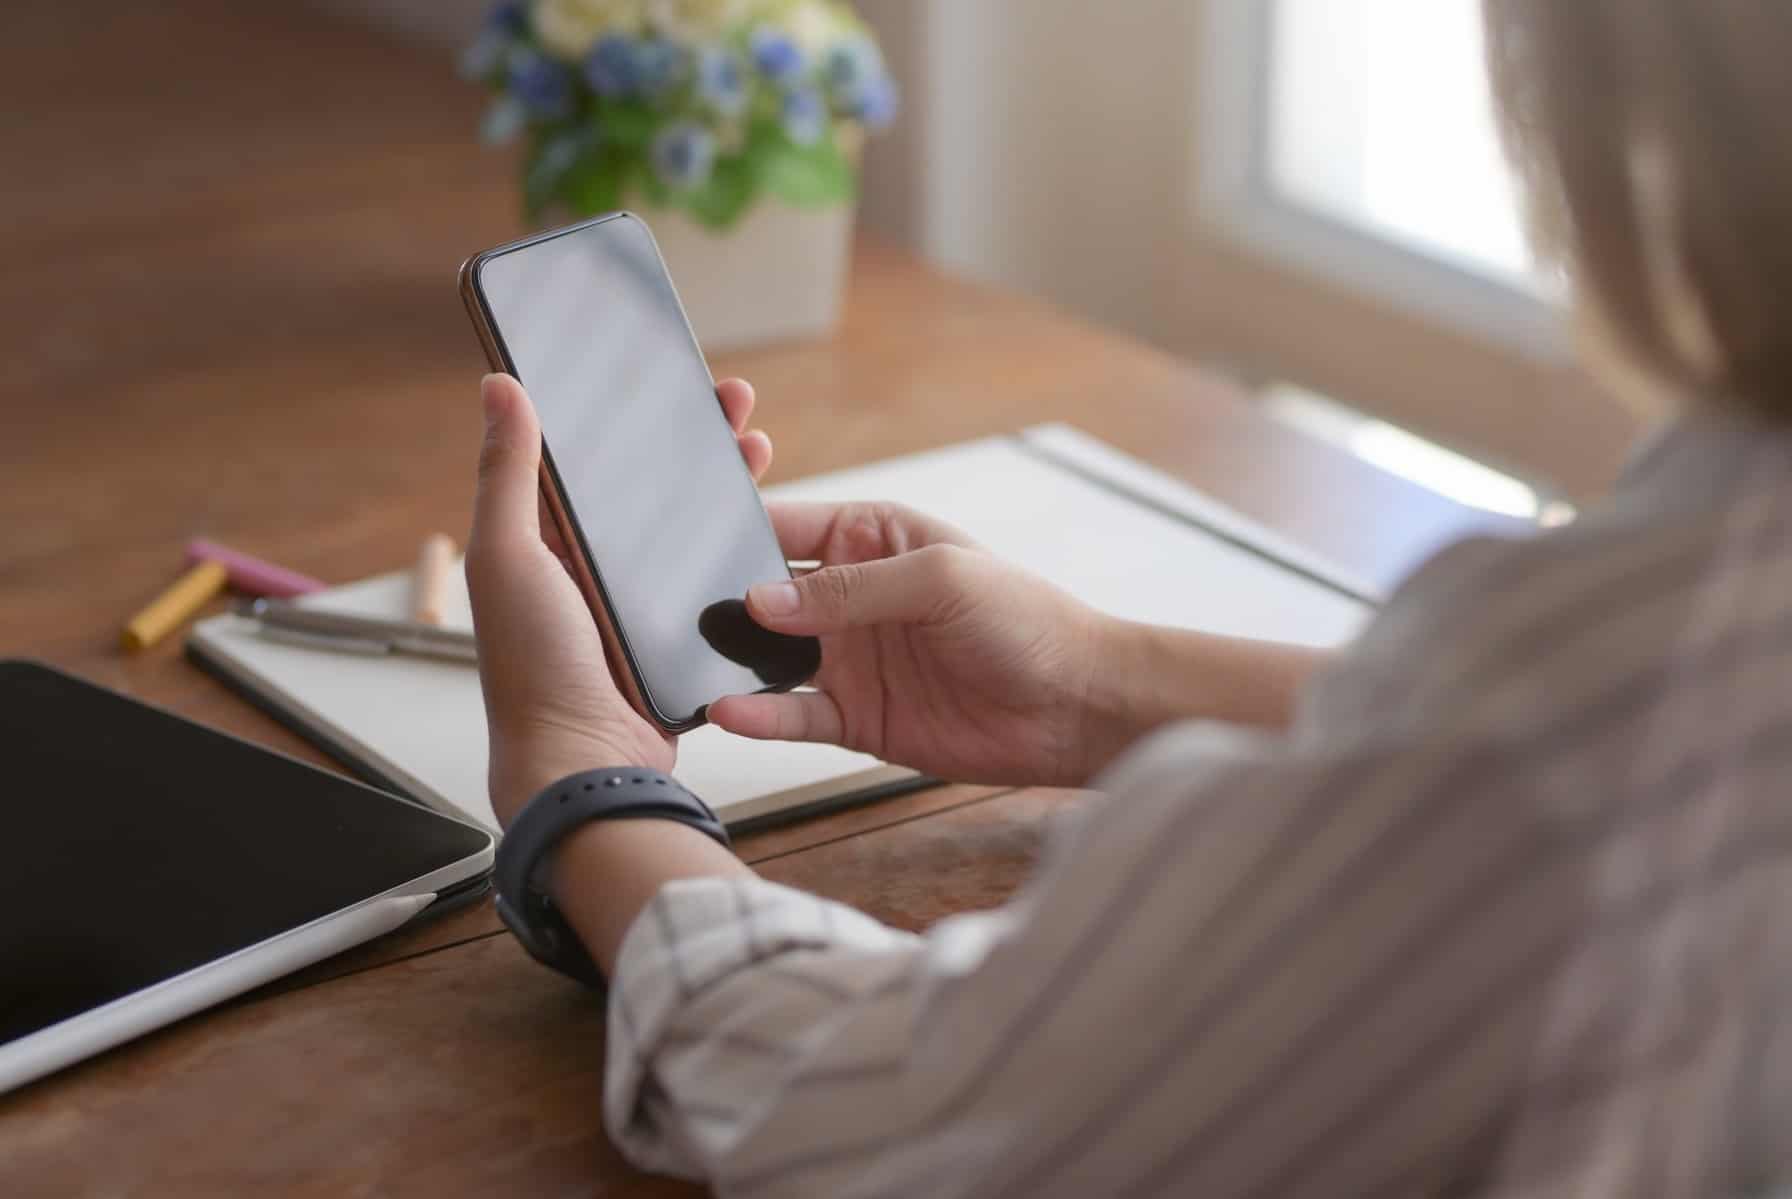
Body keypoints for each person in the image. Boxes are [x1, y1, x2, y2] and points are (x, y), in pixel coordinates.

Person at [463, 3, 1792, 1194]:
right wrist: (1093, 685)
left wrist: (585, 787)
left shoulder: (1650, 662)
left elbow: (893, 1112)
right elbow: (1509, 756)